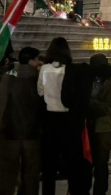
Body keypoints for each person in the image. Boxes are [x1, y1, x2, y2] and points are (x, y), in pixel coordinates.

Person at [0, 46, 44, 195]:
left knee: (7, 173)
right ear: (31, 61)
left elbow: (0, 106)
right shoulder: (37, 80)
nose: (39, 63)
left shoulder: (8, 77)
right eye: (37, 59)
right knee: (31, 174)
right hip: (32, 134)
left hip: (10, 132)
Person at [38, 37, 79, 195]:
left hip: (49, 118)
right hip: (67, 119)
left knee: (49, 165)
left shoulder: (45, 68)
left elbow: (40, 91)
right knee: (70, 162)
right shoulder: (70, 69)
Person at [87, 54, 111, 195]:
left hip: (103, 127)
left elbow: (108, 107)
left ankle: (100, 192)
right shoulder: (89, 80)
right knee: (87, 162)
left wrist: (88, 103)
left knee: (101, 163)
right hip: (89, 125)